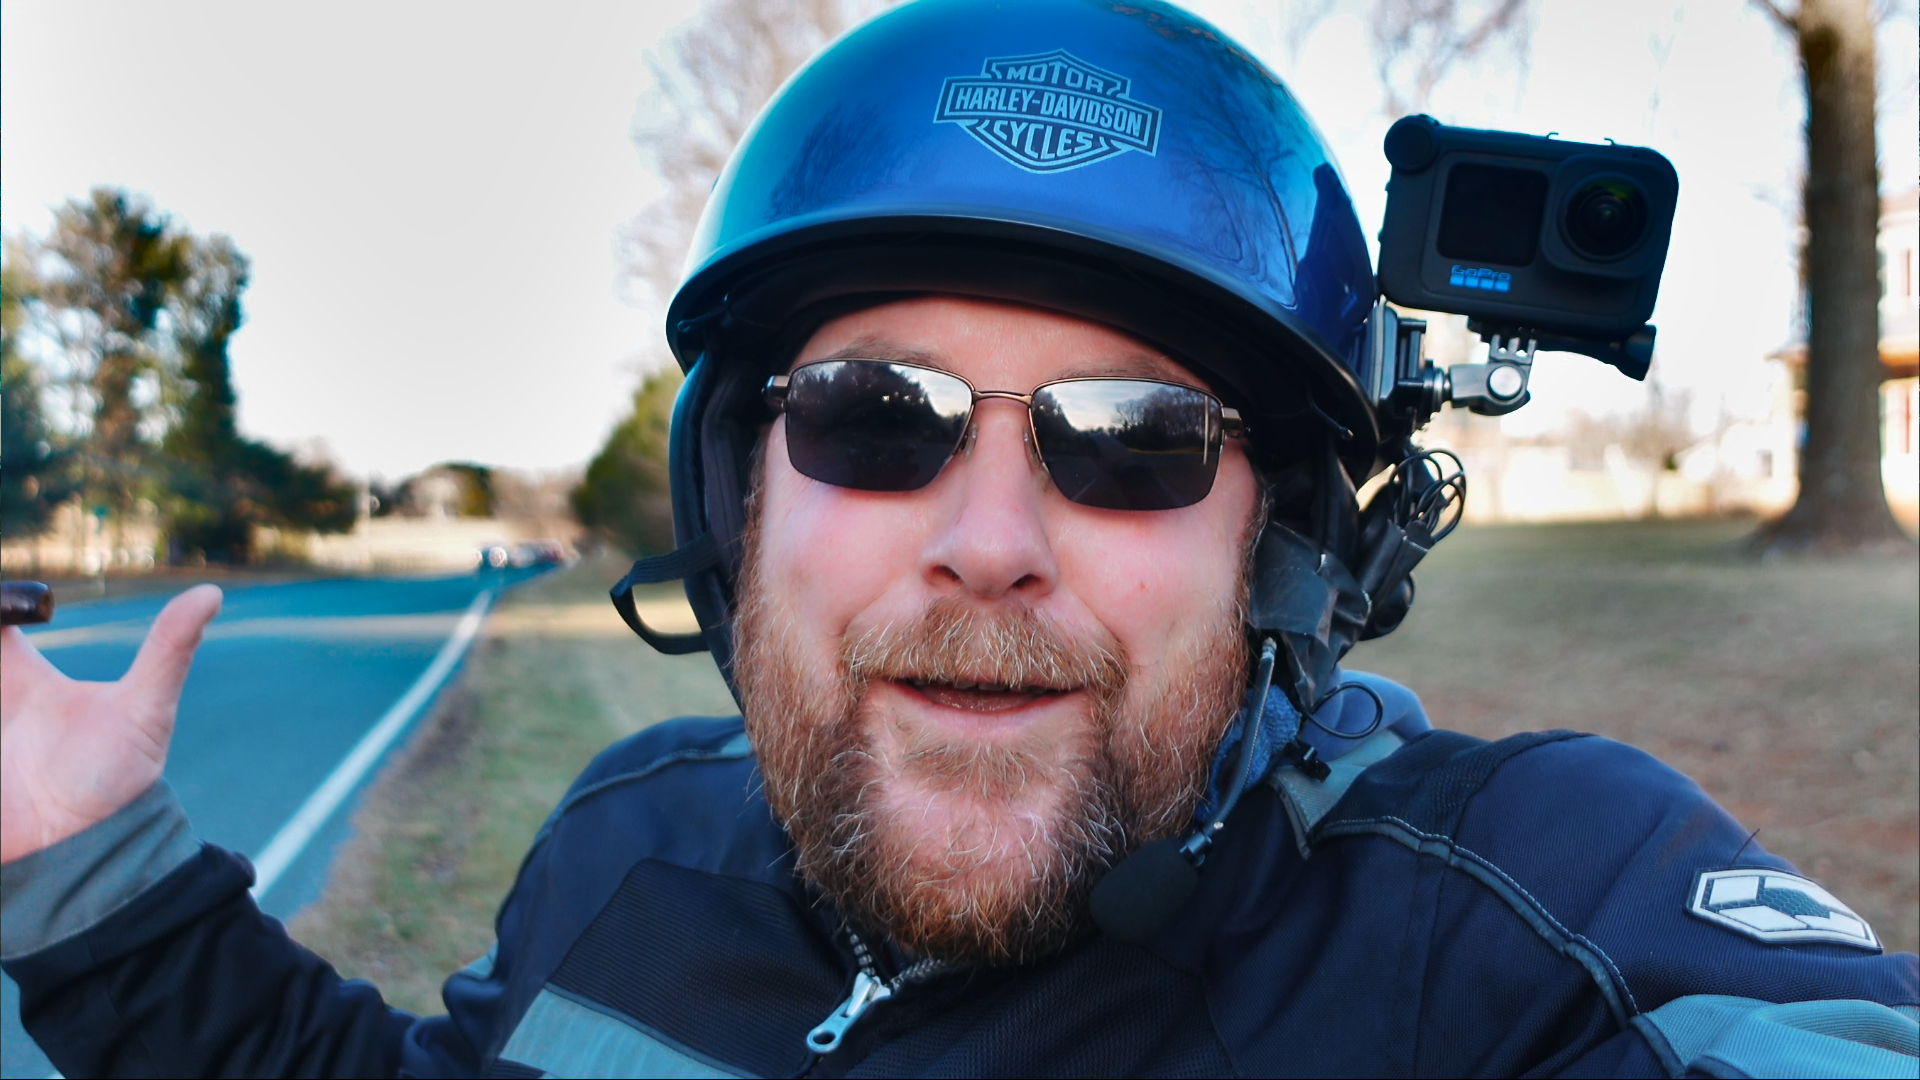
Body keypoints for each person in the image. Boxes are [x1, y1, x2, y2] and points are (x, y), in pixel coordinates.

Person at [3, 1, 1915, 1076]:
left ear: (1284, 550)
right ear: (739, 494)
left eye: (1137, 441)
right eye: (875, 417)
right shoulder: (628, 848)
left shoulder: (1517, 930)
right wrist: (103, 887)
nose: (989, 539)